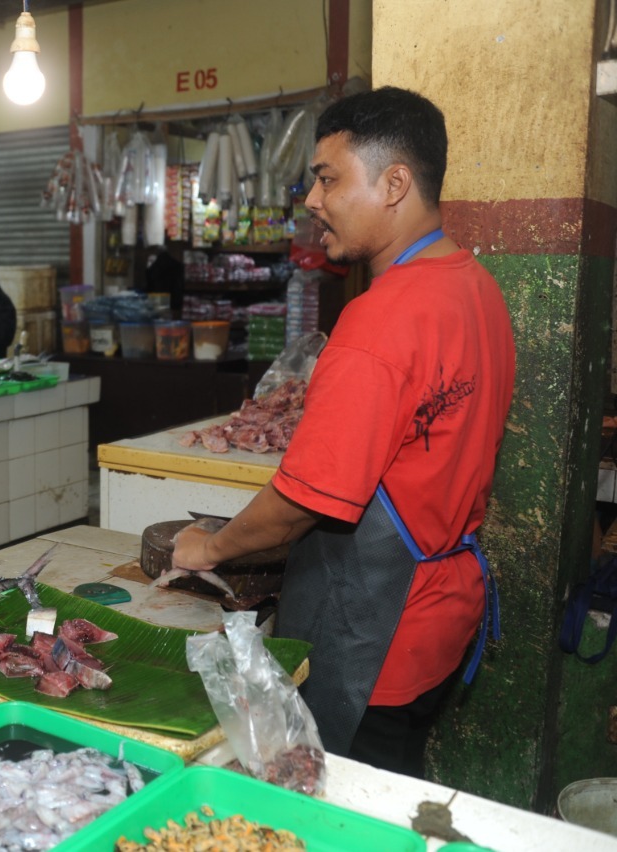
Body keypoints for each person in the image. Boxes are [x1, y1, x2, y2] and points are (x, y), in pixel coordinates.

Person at [168, 87, 516, 777]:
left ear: (394, 183)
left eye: (329, 178)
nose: (312, 200)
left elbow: (302, 501)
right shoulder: (477, 288)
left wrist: (209, 546)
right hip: (443, 619)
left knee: (335, 812)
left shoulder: (380, 318)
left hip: (375, 639)